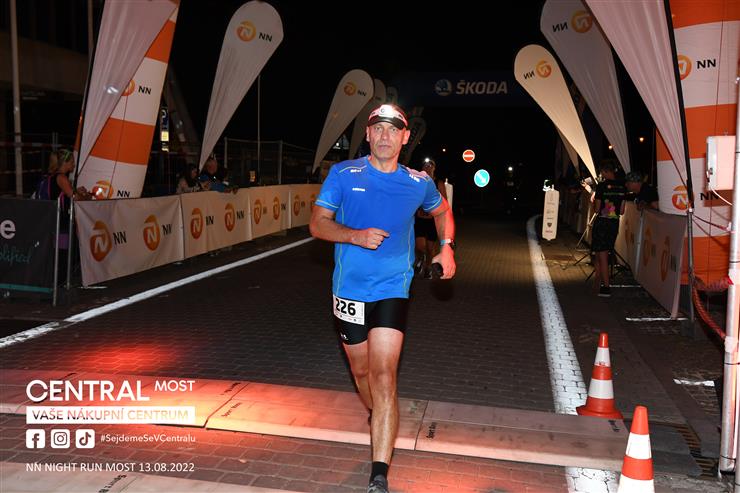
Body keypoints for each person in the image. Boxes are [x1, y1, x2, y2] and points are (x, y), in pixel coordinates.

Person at [309, 103, 456, 493]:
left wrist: (447, 248)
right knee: (362, 374)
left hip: (393, 287)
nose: (385, 135)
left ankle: (378, 474)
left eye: (394, 129)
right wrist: (354, 236)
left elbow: (442, 211)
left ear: (405, 137)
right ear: (368, 134)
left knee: (384, 376)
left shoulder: (418, 182)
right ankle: (379, 414)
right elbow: (317, 224)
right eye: (378, 128)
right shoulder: (344, 174)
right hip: (349, 290)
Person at [590, 162, 626, 297]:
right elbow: (622, 211)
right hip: (614, 223)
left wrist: (593, 203)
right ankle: (598, 282)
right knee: (604, 253)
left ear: (605, 172)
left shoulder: (601, 186)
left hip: (602, 222)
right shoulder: (623, 187)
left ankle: (605, 287)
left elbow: (597, 209)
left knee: (601, 255)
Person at [413, 158, 447, 278]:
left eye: (430, 166)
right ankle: (421, 258)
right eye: (425, 166)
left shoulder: (439, 183)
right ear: (422, 168)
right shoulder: (418, 181)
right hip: (420, 219)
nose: (428, 168)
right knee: (420, 247)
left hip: (433, 221)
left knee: (430, 248)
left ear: (434, 168)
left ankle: (428, 268)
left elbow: (444, 201)